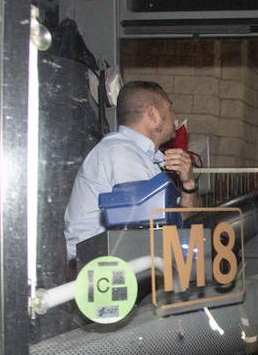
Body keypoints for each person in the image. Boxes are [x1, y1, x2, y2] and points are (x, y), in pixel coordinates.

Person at [64, 80, 198, 261]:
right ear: (153, 114)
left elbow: (180, 221)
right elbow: (149, 228)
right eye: (169, 108)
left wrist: (188, 184)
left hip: (118, 263)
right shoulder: (121, 154)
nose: (174, 117)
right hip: (102, 273)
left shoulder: (142, 157)